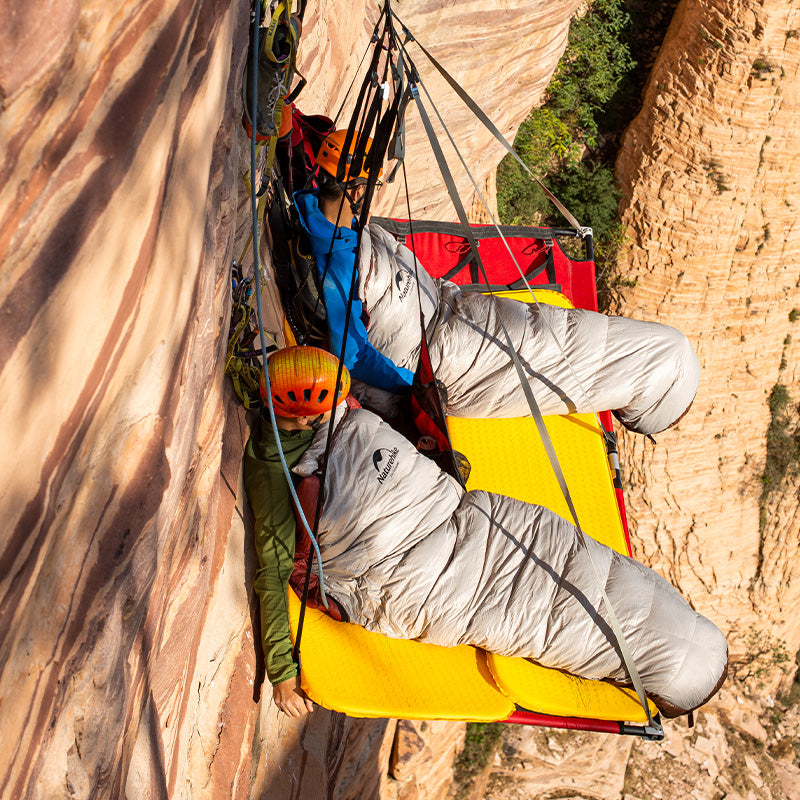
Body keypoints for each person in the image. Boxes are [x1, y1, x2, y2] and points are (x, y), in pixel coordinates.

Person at [245, 346, 728, 719]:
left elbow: (279, 565)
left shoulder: (341, 412)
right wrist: (283, 673)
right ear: (310, 410)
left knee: (569, 583)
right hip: (430, 561)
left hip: (452, 520)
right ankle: (676, 658)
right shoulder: (278, 466)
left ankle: (675, 659)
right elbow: (271, 568)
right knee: (566, 587)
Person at [294, 129, 699, 433]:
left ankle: (657, 375)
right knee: (551, 355)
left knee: (555, 338)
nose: (373, 195)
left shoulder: (338, 225)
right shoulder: (340, 258)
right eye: (372, 186)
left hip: (446, 310)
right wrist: (412, 387)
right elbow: (350, 352)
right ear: (356, 187)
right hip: (442, 351)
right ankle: (657, 381)